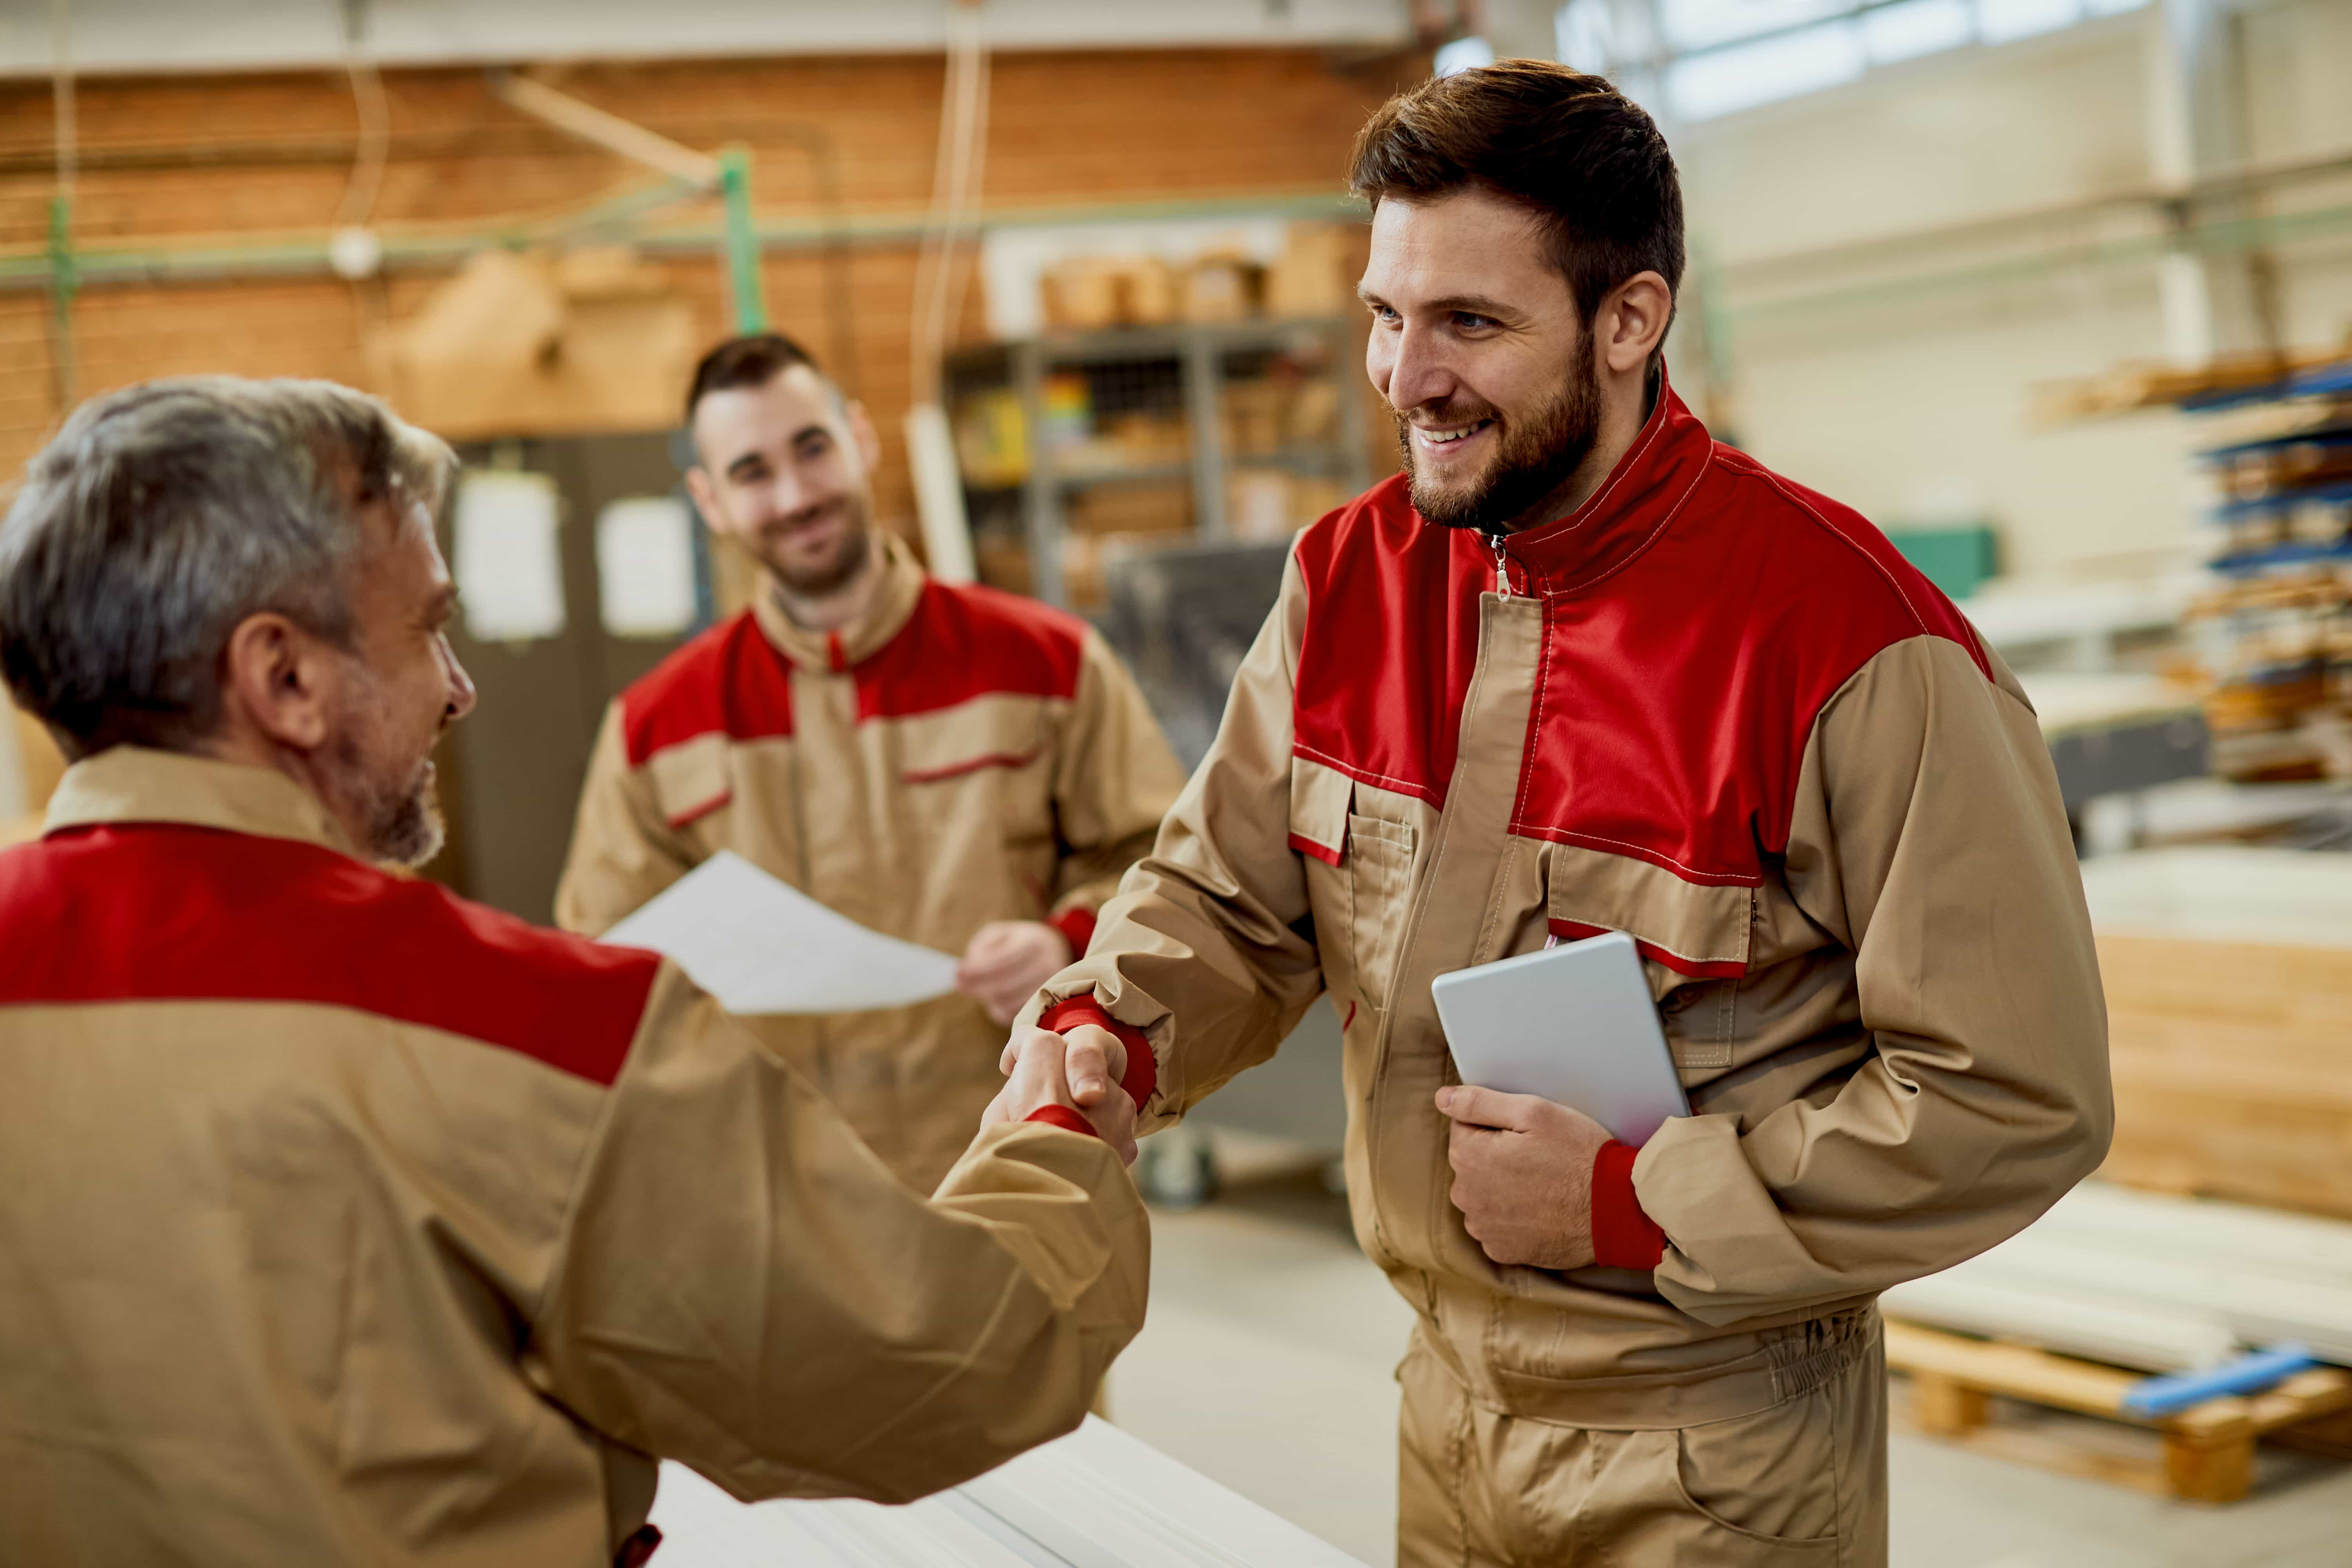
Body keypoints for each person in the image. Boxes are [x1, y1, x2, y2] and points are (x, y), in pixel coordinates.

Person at [999, 62, 2111, 1566]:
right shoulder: (1351, 579)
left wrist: (1636, 1203)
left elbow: (2012, 1096)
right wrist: (1115, 1029)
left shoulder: (1848, 645)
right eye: (1386, 314)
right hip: (1441, 1411)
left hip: (1717, 1456)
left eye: (1469, 322)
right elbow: (1228, 899)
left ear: (1629, 320)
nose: (1404, 376)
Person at [0, 376, 1154, 1567]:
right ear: (284, 681)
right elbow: (938, 1364)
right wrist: (1061, 1135)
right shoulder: (536, 1032)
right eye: (424, 631)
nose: (459, 689)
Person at [556, 334, 1185, 1192]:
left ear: (862, 437)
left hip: (1016, 1161)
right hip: (781, 1193)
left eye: (812, 448)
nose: (794, 495)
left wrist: (1064, 938)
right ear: (708, 499)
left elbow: (1168, 866)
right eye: (751, 472)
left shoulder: (1046, 662)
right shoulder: (655, 725)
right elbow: (604, 969)